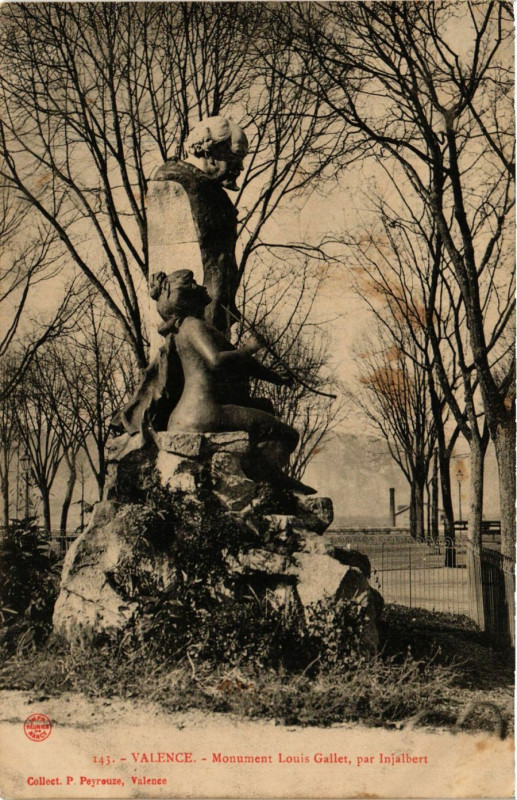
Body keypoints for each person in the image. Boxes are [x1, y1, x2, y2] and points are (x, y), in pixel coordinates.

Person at [157, 270, 299, 471]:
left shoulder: (186, 327)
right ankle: (266, 483)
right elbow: (216, 361)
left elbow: (241, 363)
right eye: (195, 283)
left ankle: (259, 475)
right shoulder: (194, 326)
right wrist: (249, 348)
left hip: (190, 414)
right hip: (204, 413)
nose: (203, 287)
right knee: (288, 435)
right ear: (189, 295)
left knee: (265, 407)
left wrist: (276, 378)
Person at [152, 116, 248, 333]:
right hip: (200, 315)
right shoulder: (182, 182)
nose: (240, 166)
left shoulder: (211, 191)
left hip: (216, 308)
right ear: (208, 151)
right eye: (234, 157)